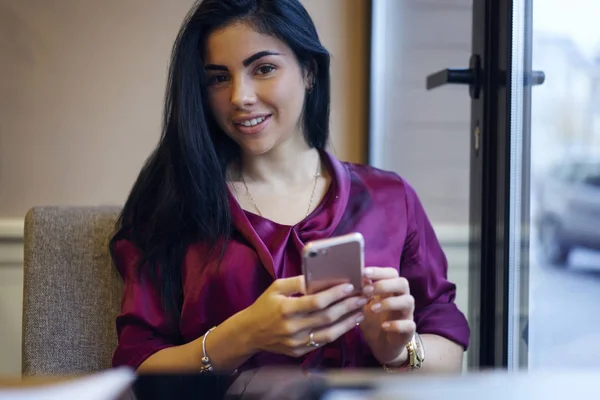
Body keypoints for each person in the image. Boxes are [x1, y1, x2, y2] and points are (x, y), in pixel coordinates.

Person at [110, 0, 470, 375]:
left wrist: (398, 351)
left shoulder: (390, 198)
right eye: (218, 78)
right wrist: (242, 336)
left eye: (263, 69)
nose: (239, 97)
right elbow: (138, 369)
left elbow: (449, 349)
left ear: (309, 72)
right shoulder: (173, 205)